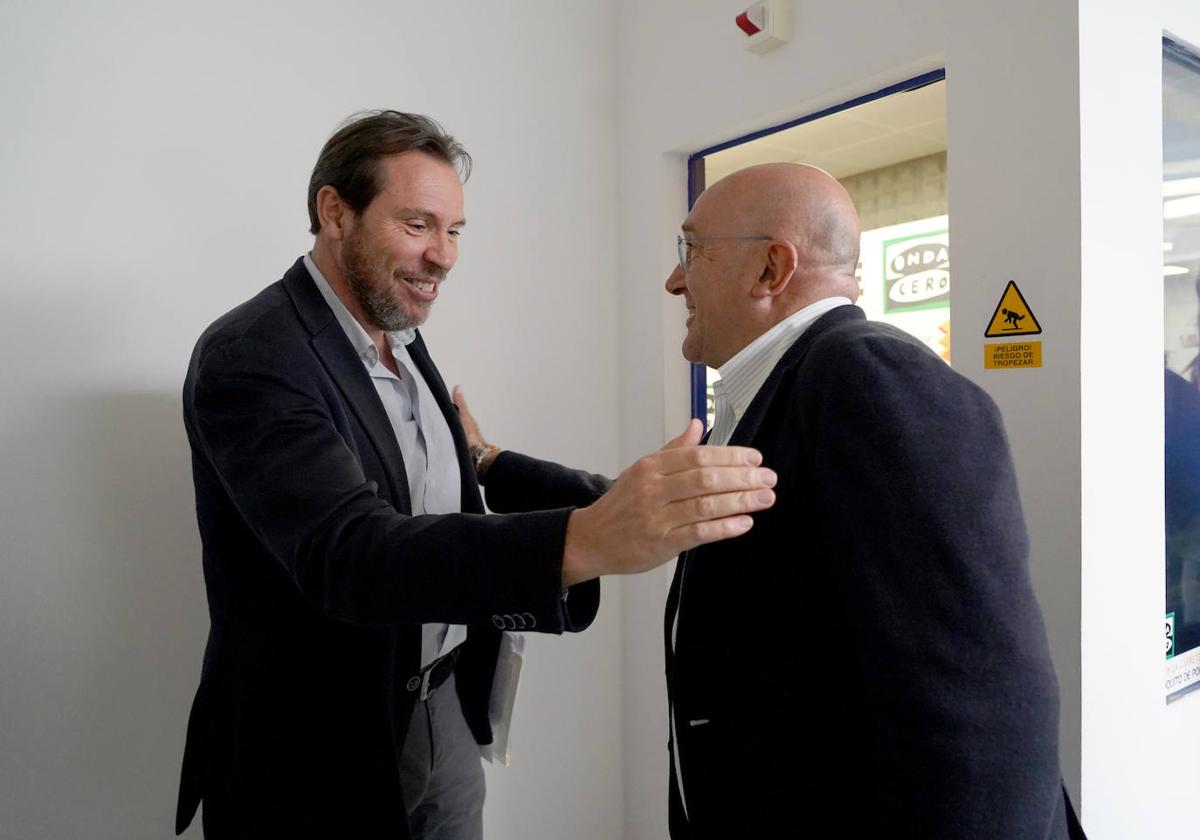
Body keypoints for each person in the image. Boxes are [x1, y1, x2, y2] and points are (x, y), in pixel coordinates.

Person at [173, 111, 777, 840]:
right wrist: (581, 539)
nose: (444, 256)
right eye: (418, 225)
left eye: (455, 231)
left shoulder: (400, 335)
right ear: (335, 212)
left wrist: (624, 497)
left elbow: (438, 494)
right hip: (318, 751)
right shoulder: (253, 355)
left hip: (442, 712)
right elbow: (351, 554)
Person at [457, 162, 1085, 838]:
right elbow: (672, 513)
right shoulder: (791, 385)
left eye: (689, 251)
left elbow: (985, 705)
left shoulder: (871, 378)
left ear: (770, 269)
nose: (674, 280)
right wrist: (491, 464)